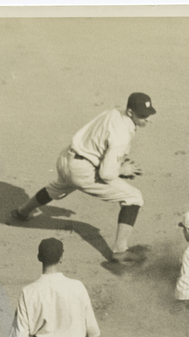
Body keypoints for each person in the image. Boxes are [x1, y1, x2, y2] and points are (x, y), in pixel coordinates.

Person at [10, 93, 157, 263]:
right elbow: (106, 174)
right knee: (134, 197)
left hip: (66, 158)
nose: (147, 119)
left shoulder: (114, 113)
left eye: (149, 114)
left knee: (58, 187)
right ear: (130, 112)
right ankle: (120, 251)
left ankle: (22, 212)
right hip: (82, 171)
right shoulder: (122, 135)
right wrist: (122, 169)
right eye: (142, 115)